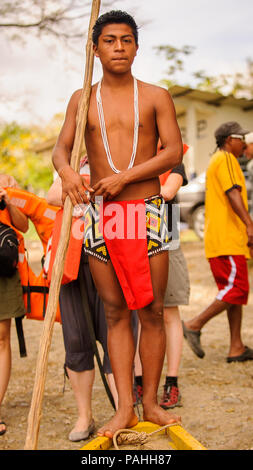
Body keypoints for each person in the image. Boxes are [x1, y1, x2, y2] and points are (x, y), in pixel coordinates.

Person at [52, 10, 183, 437]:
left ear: (136, 47)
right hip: (102, 216)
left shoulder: (155, 95)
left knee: (152, 310)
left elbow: (173, 154)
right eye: (110, 41)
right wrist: (70, 174)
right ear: (96, 48)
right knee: (114, 313)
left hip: (145, 210)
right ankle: (124, 407)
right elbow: (61, 149)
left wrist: (126, 176)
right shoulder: (81, 99)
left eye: (127, 40)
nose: (119, 48)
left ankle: (150, 403)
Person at [46, 157, 118, 442]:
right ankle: (84, 416)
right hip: (73, 260)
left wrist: (84, 188)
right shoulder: (71, 159)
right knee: (76, 341)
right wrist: (80, 182)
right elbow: (52, 195)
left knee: (116, 335)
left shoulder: (115, 154)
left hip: (111, 256)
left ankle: (122, 409)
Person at [182, 121, 253, 363]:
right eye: (240, 138)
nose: (244, 142)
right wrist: (249, 224)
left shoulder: (220, 160)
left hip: (225, 239)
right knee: (238, 289)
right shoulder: (226, 159)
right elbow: (232, 192)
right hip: (227, 238)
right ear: (229, 140)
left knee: (234, 295)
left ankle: (236, 347)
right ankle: (194, 324)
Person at [133, 163, 190, 410]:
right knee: (135, 313)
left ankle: (171, 381)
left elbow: (167, 192)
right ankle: (138, 381)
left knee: (169, 312)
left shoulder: (172, 162)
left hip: (167, 238)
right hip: (132, 238)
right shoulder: (129, 157)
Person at [0, 181, 28, 436]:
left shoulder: (5, 184)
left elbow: (24, 226)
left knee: (1, 339)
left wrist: (7, 200)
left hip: (3, 271)